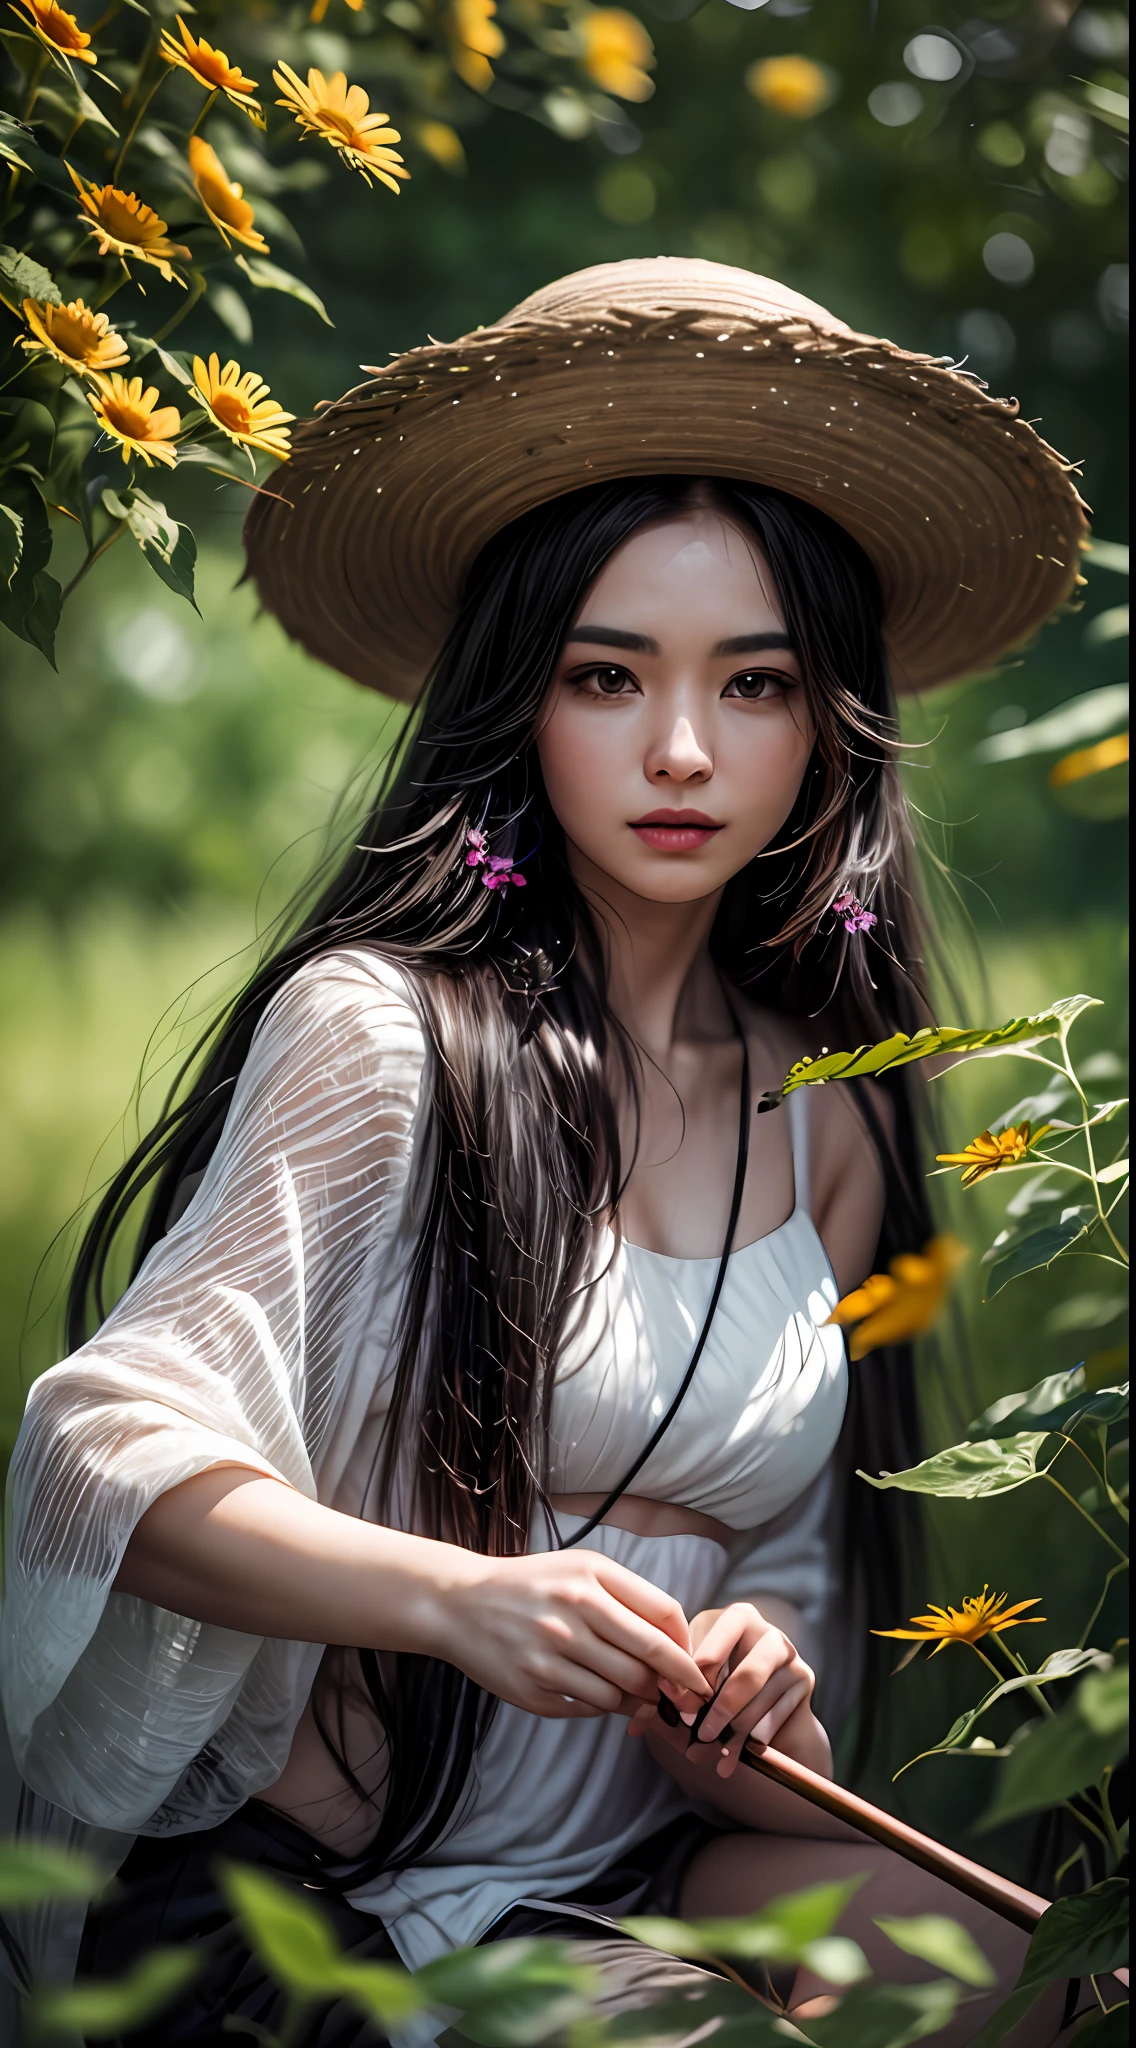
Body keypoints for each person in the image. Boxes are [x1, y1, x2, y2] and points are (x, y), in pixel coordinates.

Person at [0, 260, 1087, 2045]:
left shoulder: (831, 1108)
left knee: (1020, 1967)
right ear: (524, 695)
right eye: (609, 675)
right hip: (309, 1895)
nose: (682, 751)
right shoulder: (383, 1034)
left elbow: (781, 1641)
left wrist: (768, 1703)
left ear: (826, 729)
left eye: (754, 684)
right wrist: (455, 1601)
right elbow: (95, 1451)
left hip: (640, 1870)